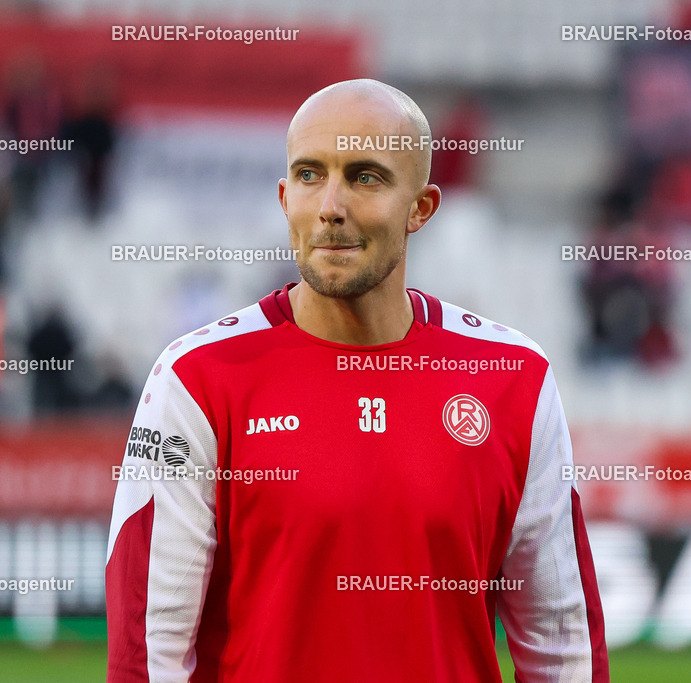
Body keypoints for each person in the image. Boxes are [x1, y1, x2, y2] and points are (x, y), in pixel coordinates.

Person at [106, 79, 608, 682]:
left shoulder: (513, 379)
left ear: (421, 208)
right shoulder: (196, 379)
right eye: (310, 175)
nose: (330, 206)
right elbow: (147, 654)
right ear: (284, 196)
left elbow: (563, 646)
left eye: (365, 177)